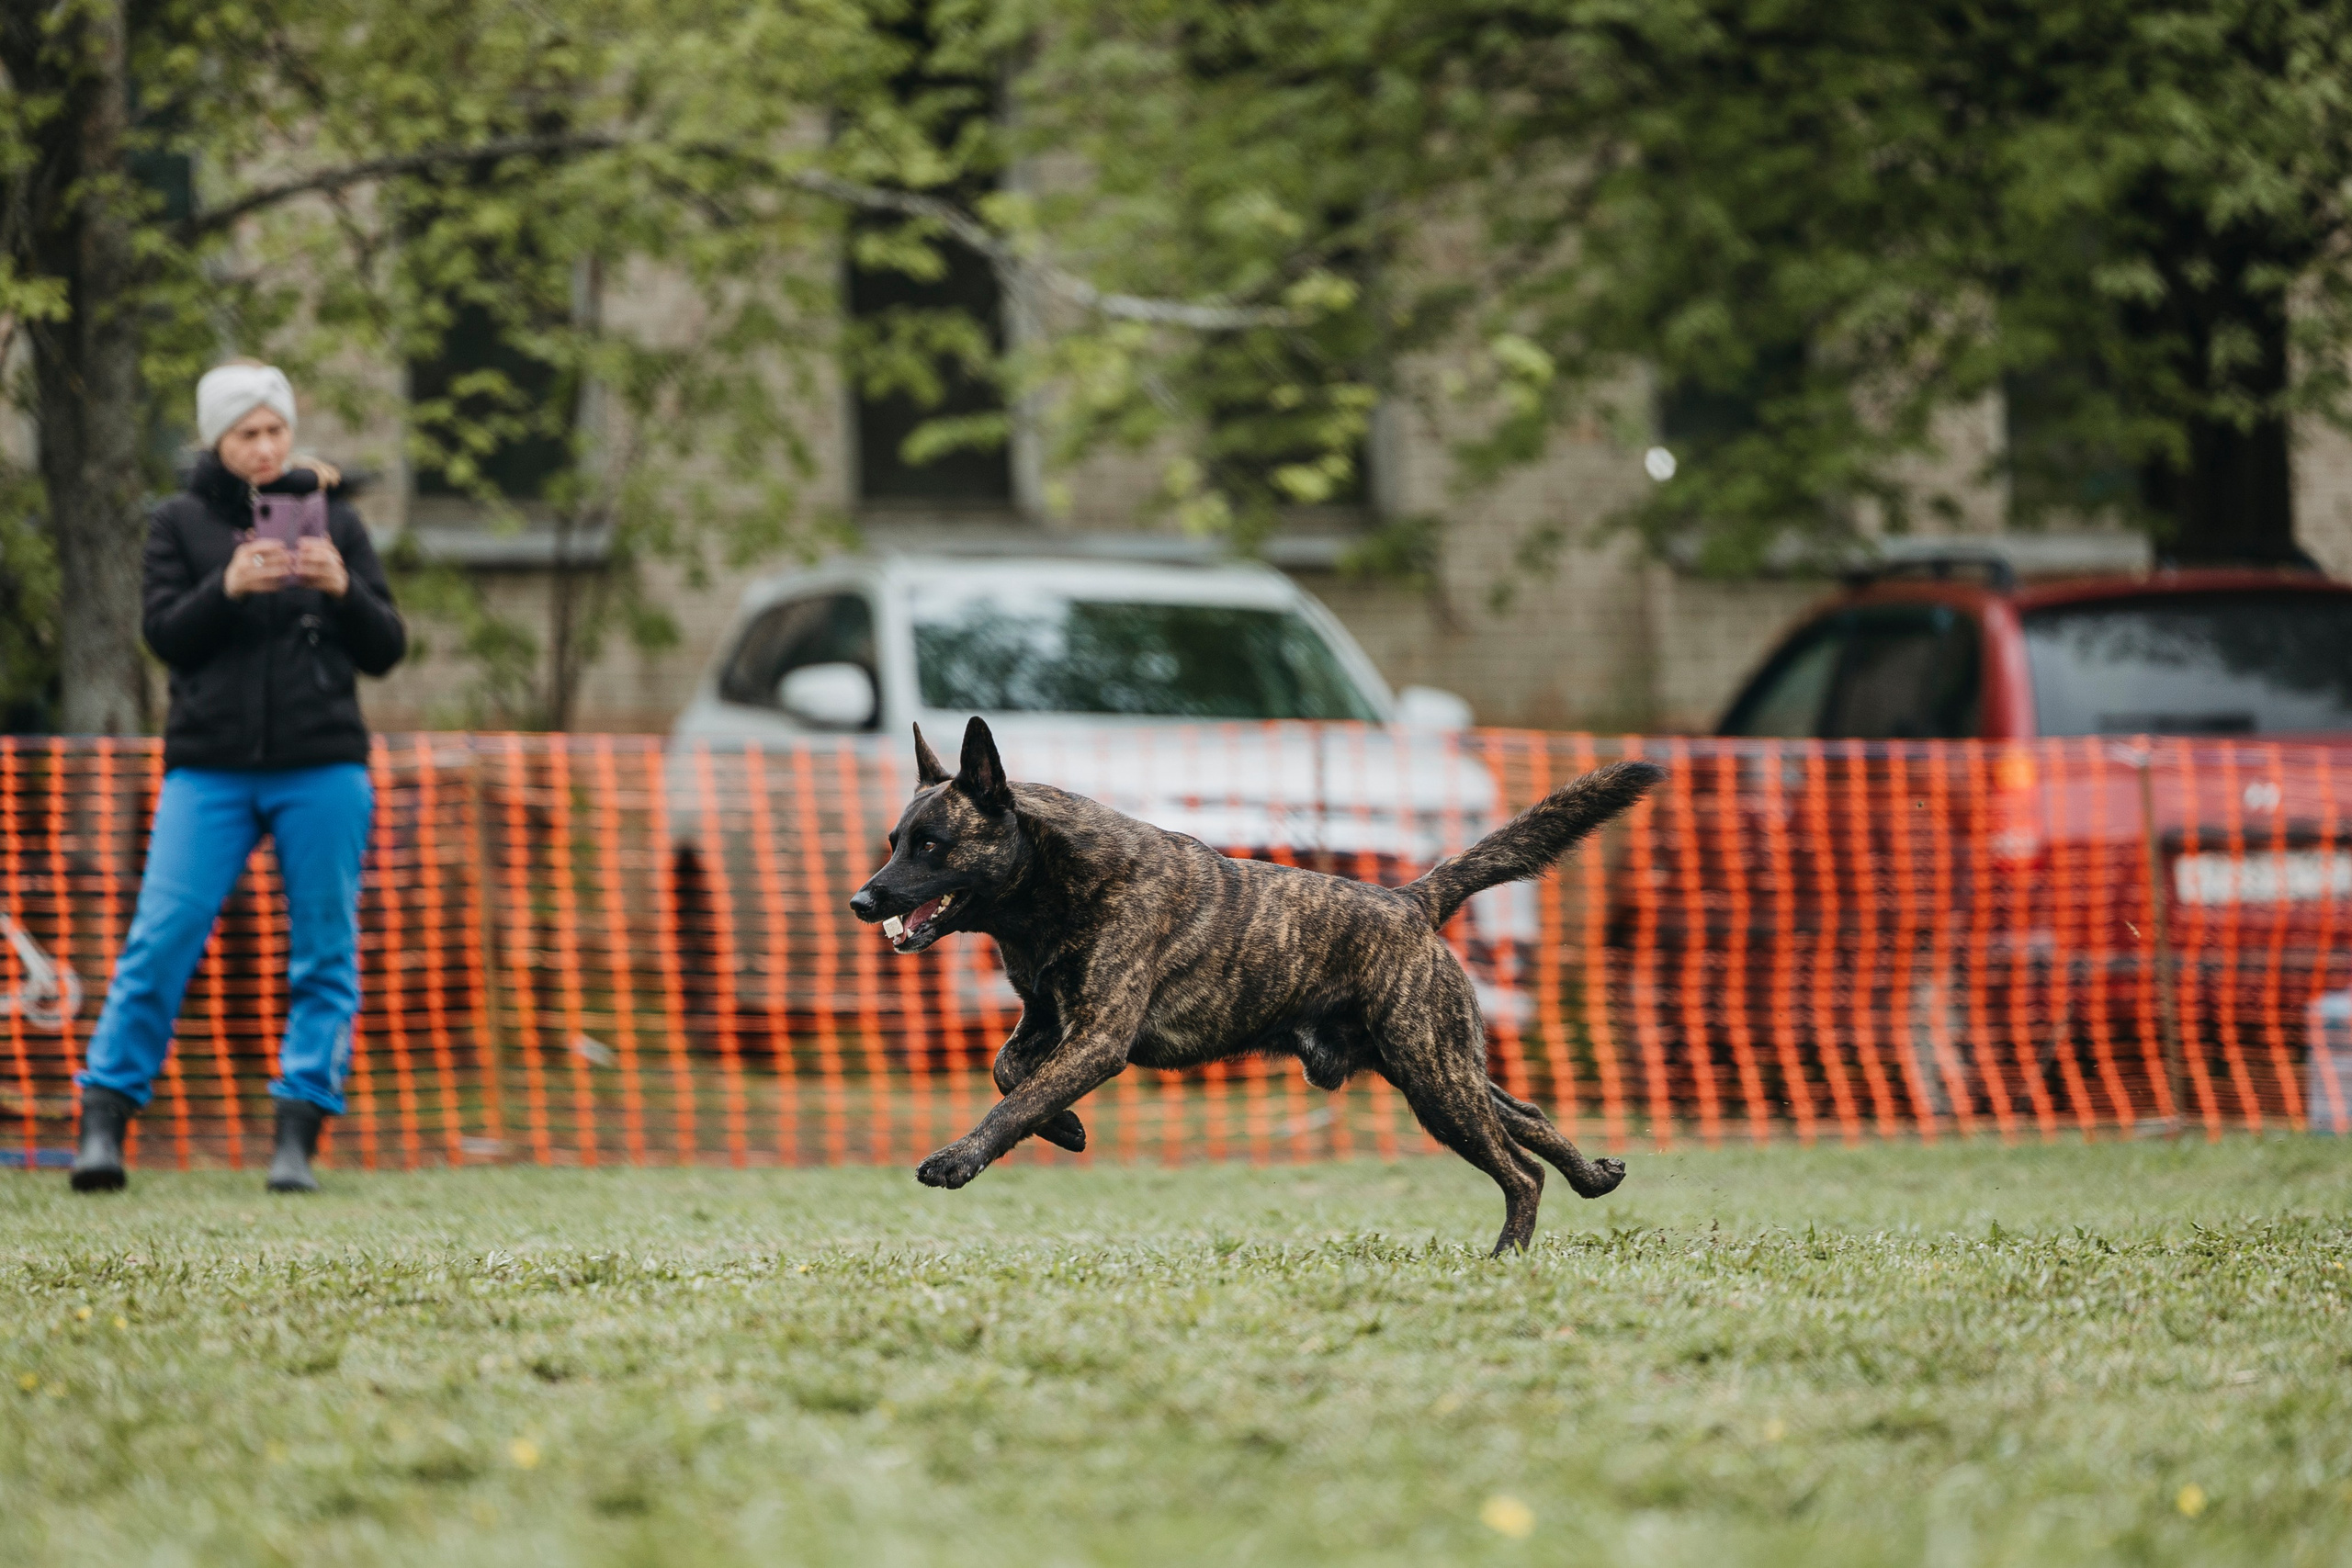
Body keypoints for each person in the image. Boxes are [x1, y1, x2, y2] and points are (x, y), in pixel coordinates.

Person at [70, 362, 406, 1193]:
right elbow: (165, 636)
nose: (264, 447)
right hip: (208, 771)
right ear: (216, 442)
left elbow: (387, 648)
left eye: (276, 429)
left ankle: (297, 1132)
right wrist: (225, 587)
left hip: (323, 767)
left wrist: (342, 589)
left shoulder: (338, 523)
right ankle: (105, 1122)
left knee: (324, 951)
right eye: (246, 432)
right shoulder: (177, 525)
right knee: (162, 937)